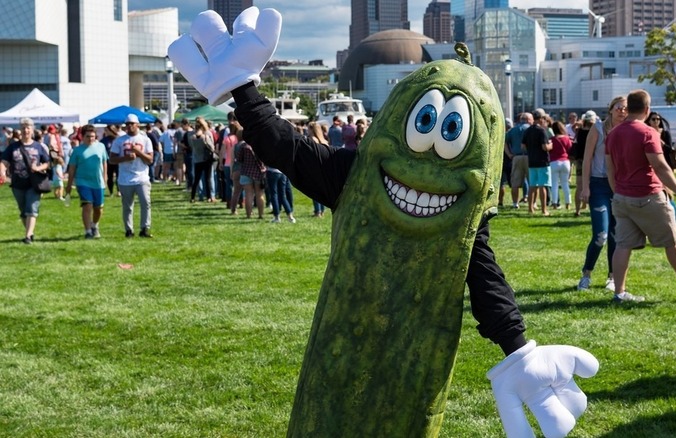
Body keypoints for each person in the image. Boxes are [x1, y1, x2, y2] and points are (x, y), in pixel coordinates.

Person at [169, 8, 599, 437]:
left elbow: (483, 275)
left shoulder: (459, 214)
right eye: (424, 121)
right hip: (331, 383)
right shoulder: (354, 175)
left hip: (414, 388)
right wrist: (244, 90)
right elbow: (286, 148)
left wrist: (519, 349)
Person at [605, 89, 676, 303]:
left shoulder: (613, 133)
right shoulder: (647, 132)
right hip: (647, 196)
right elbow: (660, 166)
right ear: (647, 109)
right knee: (672, 242)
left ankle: (619, 292)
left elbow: (610, 168)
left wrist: (618, 191)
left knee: (623, 245)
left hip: (621, 198)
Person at [577, 97, 626, 292]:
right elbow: (587, 158)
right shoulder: (597, 129)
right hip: (598, 184)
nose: (622, 111)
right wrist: (585, 186)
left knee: (616, 235)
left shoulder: (627, 130)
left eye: (626, 109)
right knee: (601, 235)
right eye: (619, 108)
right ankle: (586, 274)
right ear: (611, 109)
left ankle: (612, 277)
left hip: (619, 186)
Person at [0, 117, 50, 244]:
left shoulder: (39, 146)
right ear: (20, 130)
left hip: (34, 183)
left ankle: (27, 236)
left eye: (28, 128)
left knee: (32, 209)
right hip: (17, 183)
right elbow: (4, 161)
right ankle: (30, 231)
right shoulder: (13, 147)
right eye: (23, 128)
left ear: (32, 130)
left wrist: (38, 167)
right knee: (23, 212)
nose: (26, 130)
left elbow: (47, 163)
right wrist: (2, 171)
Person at [109, 113, 154, 238]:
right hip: (125, 178)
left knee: (146, 203)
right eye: (127, 124)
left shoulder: (145, 139)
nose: (129, 126)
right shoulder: (120, 140)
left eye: (132, 124)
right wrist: (125, 158)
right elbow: (112, 159)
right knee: (127, 206)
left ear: (137, 125)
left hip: (142, 177)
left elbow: (150, 160)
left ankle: (145, 228)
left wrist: (139, 152)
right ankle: (129, 230)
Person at [66, 124, 109, 239]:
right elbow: (72, 168)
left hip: (98, 182)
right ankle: (88, 231)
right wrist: (69, 185)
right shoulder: (77, 151)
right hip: (82, 182)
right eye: (88, 136)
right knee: (87, 205)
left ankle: (94, 225)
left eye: (93, 136)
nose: (90, 139)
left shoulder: (101, 147)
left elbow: (104, 162)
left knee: (98, 208)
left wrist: (105, 178)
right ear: (82, 136)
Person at [522, 109, 552, 215]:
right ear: (541, 119)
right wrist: (550, 146)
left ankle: (530, 209)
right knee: (542, 186)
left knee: (532, 186)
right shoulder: (541, 131)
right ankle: (544, 210)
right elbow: (545, 147)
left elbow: (523, 146)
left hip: (532, 161)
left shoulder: (528, 130)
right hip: (542, 161)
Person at [235, 128, 266, 219]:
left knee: (248, 194)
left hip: (246, 171)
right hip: (258, 172)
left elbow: (239, 159)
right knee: (259, 194)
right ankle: (261, 215)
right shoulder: (260, 145)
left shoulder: (244, 146)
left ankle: (248, 215)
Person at [572, 110, 596, 217]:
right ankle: (592, 209)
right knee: (593, 186)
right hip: (593, 160)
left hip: (580, 160)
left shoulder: (579, 132)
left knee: (579, 186)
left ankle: (577, 210)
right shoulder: (595, 132)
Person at [505, 112, 532, 207]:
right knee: (531, 181)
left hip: (516, 157)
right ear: (529, 120)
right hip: (529, 157)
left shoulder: (513, 130)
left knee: (515, 182)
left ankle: (515, 203)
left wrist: (509, 154)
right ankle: (532, 203)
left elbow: (505, 142)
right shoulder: (530, 129)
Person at [188, 117, 217, 203]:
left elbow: (192, 146)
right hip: (207, 159)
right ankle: (210, 196)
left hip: (197, 159)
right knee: (208, 178)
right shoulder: (207, 134)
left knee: (197, 179)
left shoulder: (192, 136)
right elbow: (212, 147)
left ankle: (193, 197)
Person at [549, 121, 572, 210]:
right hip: (565, 161)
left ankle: (554, 203)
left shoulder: (552, 139)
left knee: (554, 184)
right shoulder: (567, 138)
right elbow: (570, 150)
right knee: (565, 184)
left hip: (554, 162)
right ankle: (568, 203)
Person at [101, 124, 120, 196]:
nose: (106, 132)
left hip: (118, 160)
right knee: (110, 176)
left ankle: (119, 191)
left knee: (119, 176)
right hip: (108, 161)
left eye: (107, 130)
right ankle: (111, 191)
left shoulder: (118, 139)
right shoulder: (104, 140)